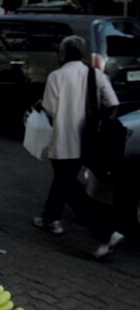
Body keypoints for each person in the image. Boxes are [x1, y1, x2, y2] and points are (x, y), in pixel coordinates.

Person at [32, 36, 124, 259]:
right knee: (63, 181)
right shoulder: (95, 74)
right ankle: (49, 217)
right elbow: (112, 103)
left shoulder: (56, 77)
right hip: (87, 143)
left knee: (71, 190)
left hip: (63, 143)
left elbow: (51, 110)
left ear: (64, 54)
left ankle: (105, 233)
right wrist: (100, 124)